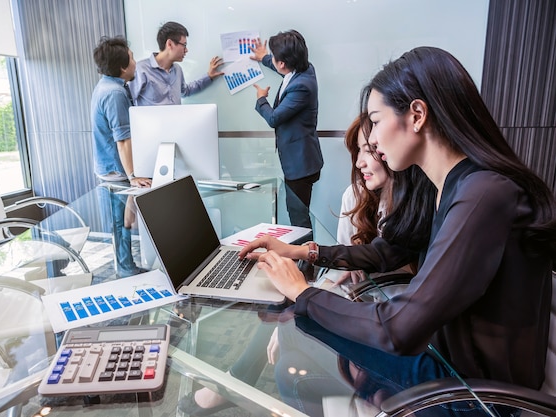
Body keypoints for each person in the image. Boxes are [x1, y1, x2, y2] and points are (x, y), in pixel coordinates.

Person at [239, 46, 556, 415]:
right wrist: (304, 251)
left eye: (375, 120)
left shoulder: (482, 194)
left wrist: (303, 291)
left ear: (417, 115)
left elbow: (398, 329)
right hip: (447, 359)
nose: (371, 139)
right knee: (300, 326)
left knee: (299, 333)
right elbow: (390, 251)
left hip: (471, 394)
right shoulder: (449, 186)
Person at [177, 113, 392, 416]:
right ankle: (238, 379)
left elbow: (379, 282)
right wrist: (304, 269)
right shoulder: (356, 196)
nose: (359, 163)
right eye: (358, 153)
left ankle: (236, 381)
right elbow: (345, 268)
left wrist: (303, 299)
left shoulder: (414, 212)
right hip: (362, 305)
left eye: (370, 151)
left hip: (375, 319)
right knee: (283, 304)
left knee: (287, 337)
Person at [91, 36, 151, 277]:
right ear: (123, 67)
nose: (136, 63)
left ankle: (127, 267)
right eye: (133, 58)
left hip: (112, 167)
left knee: (123, 222)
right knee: (120, 223)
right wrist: (133, 175)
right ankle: (125, 270)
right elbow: (123, 139)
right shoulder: (114, 93)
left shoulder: (109, 85)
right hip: (115, 170)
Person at [250, 30, 323, 230]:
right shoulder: (305, 69)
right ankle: (304, 255)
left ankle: (307, 259)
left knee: (298, 216)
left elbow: (274, 118)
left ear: (282, 62)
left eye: (274, 57)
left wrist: (261, 99)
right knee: (297, 211)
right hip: (301, 158)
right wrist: (264, 57)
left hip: (301, 164)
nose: (272, 60)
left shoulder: (302, 87)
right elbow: (283, 71)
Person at [128, 21, 224, 106]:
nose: (186, 50)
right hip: (152, 126)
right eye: (184, 45)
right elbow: (128, 102)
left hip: (176, 124)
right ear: (169, 44)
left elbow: (186, 91)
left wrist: (209, 76)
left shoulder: (177, 69)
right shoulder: (141, 70)